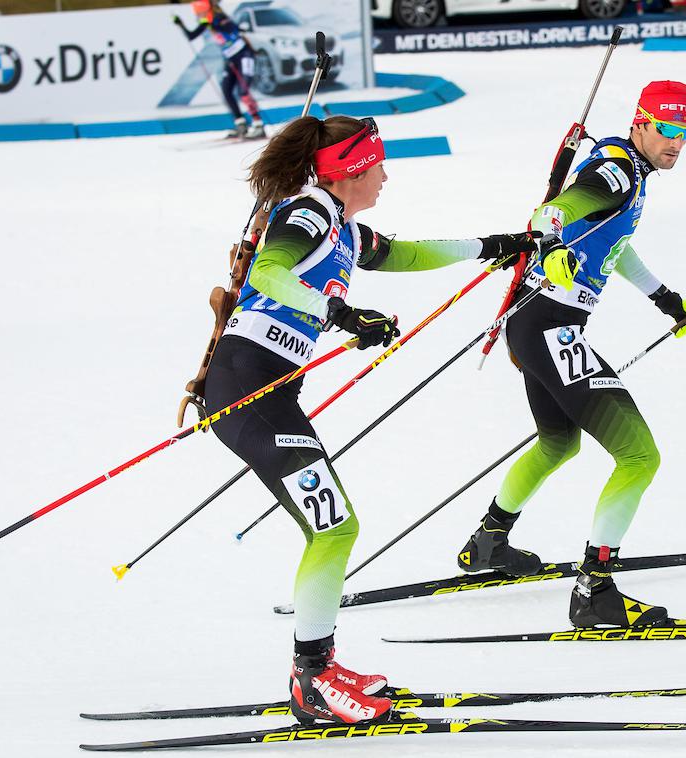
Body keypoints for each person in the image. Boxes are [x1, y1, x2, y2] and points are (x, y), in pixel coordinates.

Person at [204, 115, 537, 724]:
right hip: (246, 390)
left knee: (333, 528)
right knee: (334, 528)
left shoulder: (342, 226)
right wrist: (340, 313)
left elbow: (404, 253)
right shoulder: (306, 215)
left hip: (265, 392)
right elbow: (269, 274)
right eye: (379, 165)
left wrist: (487, 247)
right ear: (352, 169)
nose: (386, 176)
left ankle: (320, 665)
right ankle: (312, 678)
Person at [456, 81, 686, 629]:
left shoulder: (630, 170)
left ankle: (489, 543)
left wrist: (665, 300)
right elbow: (555, 215)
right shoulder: (616, 172)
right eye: (666, 130)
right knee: (640, 456)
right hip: (551, 327)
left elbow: (613, 240)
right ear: (640, 122)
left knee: (557, 443)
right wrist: (550, 254)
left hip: (536, 326)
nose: (676, 144)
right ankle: (595, 590)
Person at [173, 0, 266, 139]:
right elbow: (192, 36)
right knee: (227, 89)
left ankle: (258, 124)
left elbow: (231, 29)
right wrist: (180, 24)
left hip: (243, 55)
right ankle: (241, 124)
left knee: (243, 91)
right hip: (230, 59)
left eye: (201, 13)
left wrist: (211, 22)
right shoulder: (208, 21)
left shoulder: (221, 18)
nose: (200, 16)